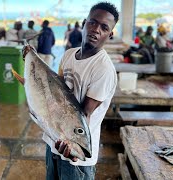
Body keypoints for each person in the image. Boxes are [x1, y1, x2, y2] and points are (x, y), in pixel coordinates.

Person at [25, 2, 118, 179]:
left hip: (76, 155)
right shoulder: (68, 55)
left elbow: (85, 114)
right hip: (53, 141)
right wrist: (32, 64)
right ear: (84, 23)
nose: (96, 29)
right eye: (93, 22)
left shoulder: (103, 69)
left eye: (104, 27)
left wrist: (72, 147)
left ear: (110, 34)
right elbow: (54, 90)